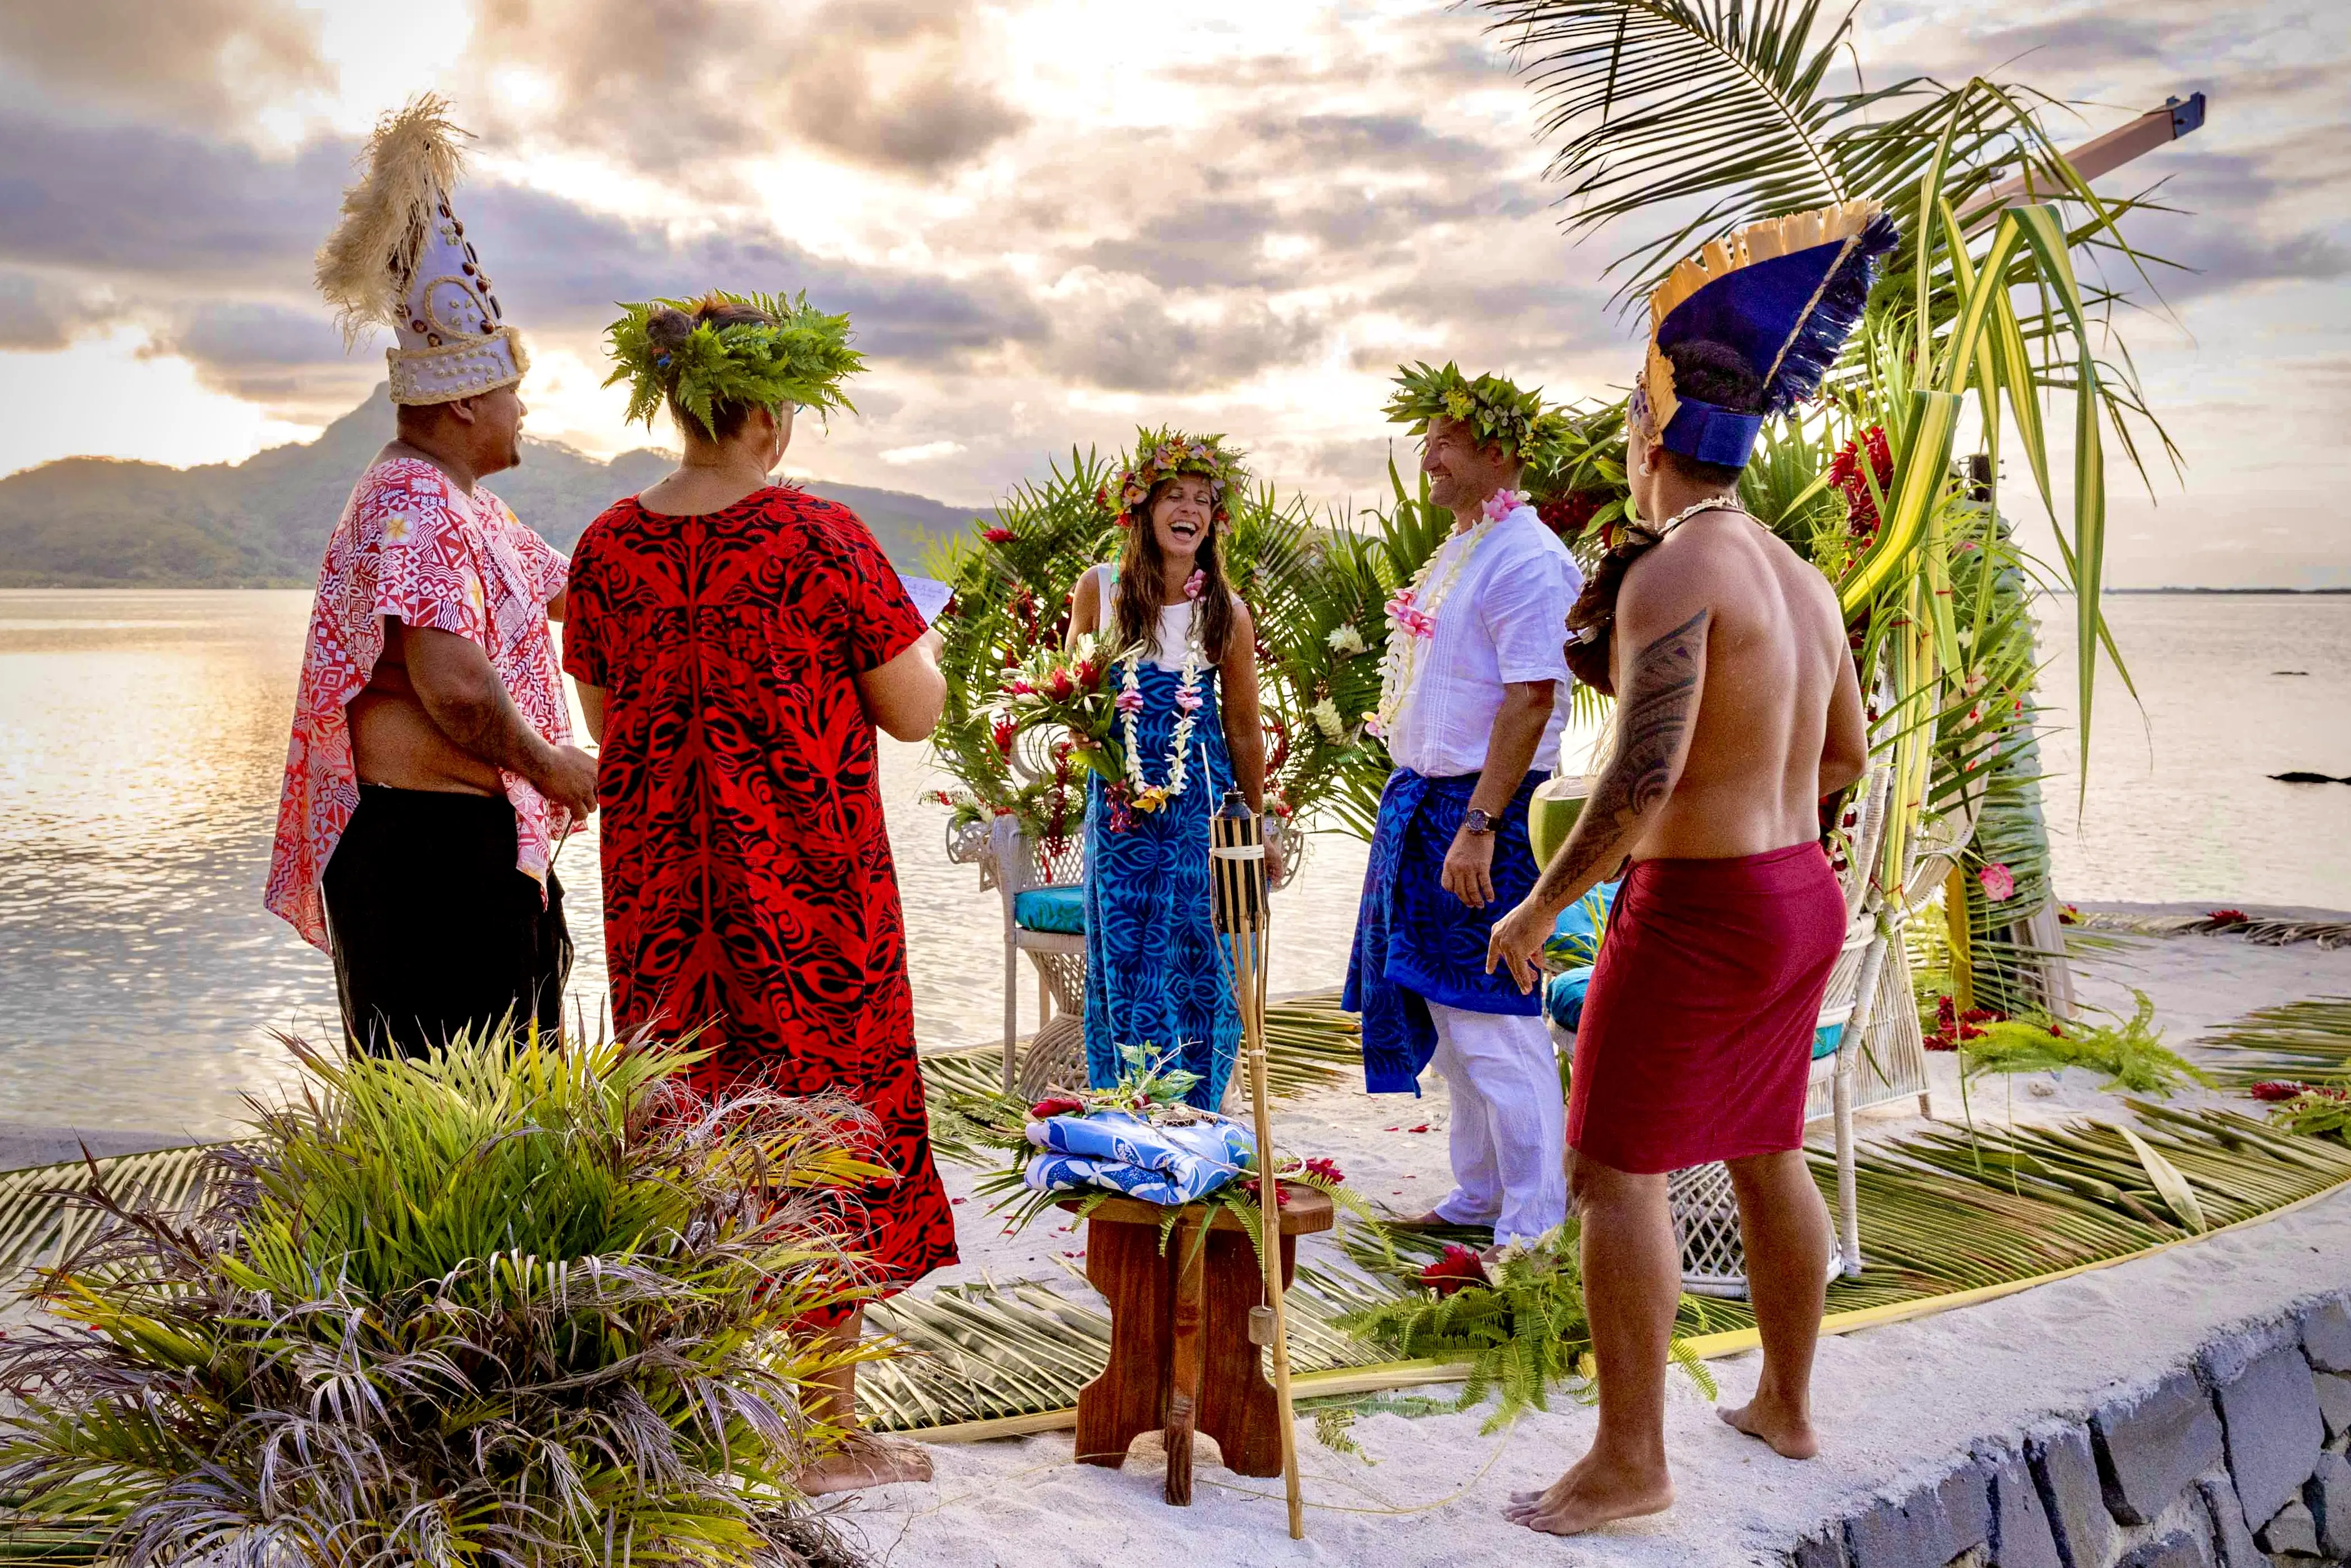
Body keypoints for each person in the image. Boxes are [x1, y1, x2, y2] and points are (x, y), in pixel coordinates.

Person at [1485, 200, 1895, 1536]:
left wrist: (1546, 899)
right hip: (1797, 895)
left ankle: (1628, 1459)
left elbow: (1642, 770)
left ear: (1653, 439)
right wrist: (1757, 816)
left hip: (1707, 909)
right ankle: (1785, 1399)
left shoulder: (1672, 572)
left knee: (1617, 1169)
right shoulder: (1799, 573)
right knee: (1770, 1143)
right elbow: (1842, 752)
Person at [561, 288, 954, 1495]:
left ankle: (699, 1413)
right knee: (818, 1120)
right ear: (772, 416)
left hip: (662, 897)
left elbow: (604, 721)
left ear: (672, 404)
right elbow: (913, 709)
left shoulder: (604, 546)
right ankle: (823, 1432)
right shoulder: (822, 538)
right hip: (807, 890)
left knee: (692, 1124)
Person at [266, 96, 595, 1056]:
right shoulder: (412, 503)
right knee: (457, 1113)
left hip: (468, 850)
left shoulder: (470, 507)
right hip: (426, 858)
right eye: (510, 394)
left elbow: (584, 590)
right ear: (461, 405)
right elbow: (451, 682)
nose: (522, 411)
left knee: (509, 1111)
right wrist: (555, 766)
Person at [1343, 364, 1583, 1249]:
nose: (1429, 454)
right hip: (1428, 807)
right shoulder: (1465, 550)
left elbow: (1530, 698)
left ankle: (1534, 1227)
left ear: (1500, 450)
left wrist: (1480, 825)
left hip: (1483, 812)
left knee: (1492, 1022)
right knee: (1448, 1021)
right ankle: (1480, 1195)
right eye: (1428, 439)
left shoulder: (1529, 557)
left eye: (1445, 439)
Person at [1064, 430, 1276, 1111]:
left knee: (1195, 952)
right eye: (1174, 496)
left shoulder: (1227, 610)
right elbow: (1070, 694)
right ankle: (1124, 1103)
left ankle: (1194, 1110)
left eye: (1203, 500)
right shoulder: (1098, 590)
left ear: (1216, 519)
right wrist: (1091, 742)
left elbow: (1243, 725)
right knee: (1123, 950)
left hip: (1198, 803)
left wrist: (1257, 821)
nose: (1189, 510)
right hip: (1121, 797)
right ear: (1142, 508)